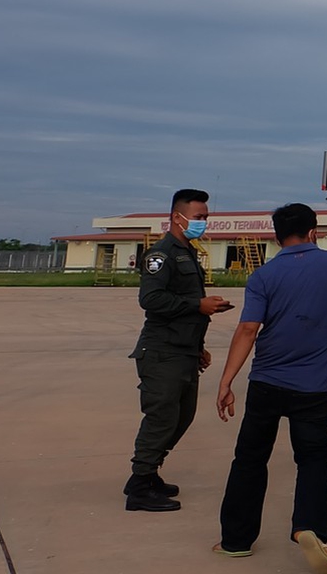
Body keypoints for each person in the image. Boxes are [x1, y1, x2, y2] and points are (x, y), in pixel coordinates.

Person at [212, 203, 327, 572]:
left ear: (277, 236)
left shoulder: (264, 275)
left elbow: (248, 329)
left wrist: (226, 381)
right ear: (314, 232)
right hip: (314, 387)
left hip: (266, 382)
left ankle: (236, 541)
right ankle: (308, 528)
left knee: (250, 459)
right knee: (314, 458)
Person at [126, 188, 233, 511]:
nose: (203, 223)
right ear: (177, 217)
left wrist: (199, 346)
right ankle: (140, 486)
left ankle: (149, 472)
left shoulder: (188, 252)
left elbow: (185, 304)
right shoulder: (161, 254)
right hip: (163, 351)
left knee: (182, 417)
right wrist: (197, 304)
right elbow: (151, 299)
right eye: (199, 217)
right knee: (162, 418)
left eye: (206, 217)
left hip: (184, 350)